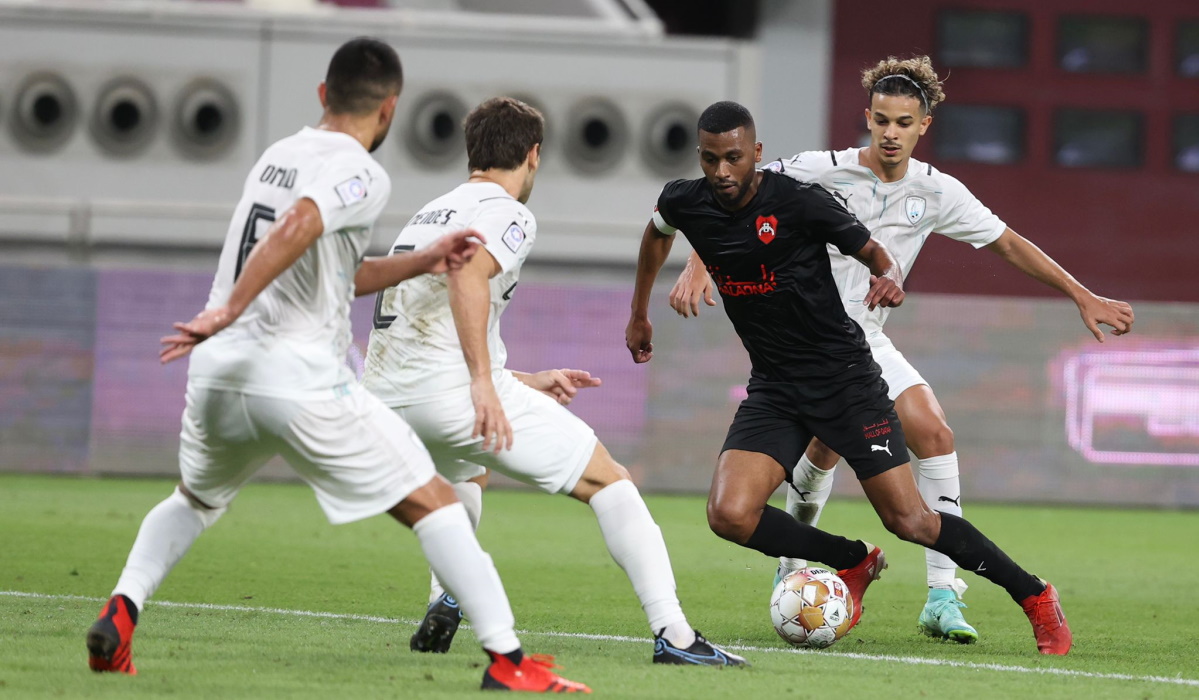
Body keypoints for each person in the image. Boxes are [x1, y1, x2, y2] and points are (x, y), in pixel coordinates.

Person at [85, 38, 589, 693]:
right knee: (438, 503)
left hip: (217, 376)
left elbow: (338, 271)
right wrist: (229, 307)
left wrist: (423, 257)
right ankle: (507, 661)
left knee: (195, 498)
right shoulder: (361, 172)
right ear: (389, 109)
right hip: (294, 379)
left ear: (323, 95)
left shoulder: (277, 155)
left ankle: (122, 611)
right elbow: (299, 223)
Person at [668, 57, 1133, 645]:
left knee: (930, 435)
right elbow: (727, 195)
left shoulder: (937, 192)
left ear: (923, 126)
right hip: (798, 351)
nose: (890, 132)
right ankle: (806, 565)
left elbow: (1008, 244)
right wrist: (698, 261)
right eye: (881, 120)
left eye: (904, 122)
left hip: (862, 345)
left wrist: (1080, 294)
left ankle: (945, 594)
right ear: (866, 118)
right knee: (811, 459)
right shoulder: (818, 171)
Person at [361, 96, 745, 667]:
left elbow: (426, 331)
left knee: (470, 465)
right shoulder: (509, 212)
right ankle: (675, 635)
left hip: (387, 400)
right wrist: (485, 386)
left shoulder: (430, 214)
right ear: (533, 154)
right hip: (448, 395)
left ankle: (445, 597)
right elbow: (469, 274)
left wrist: (519, 378)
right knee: (611, 482)